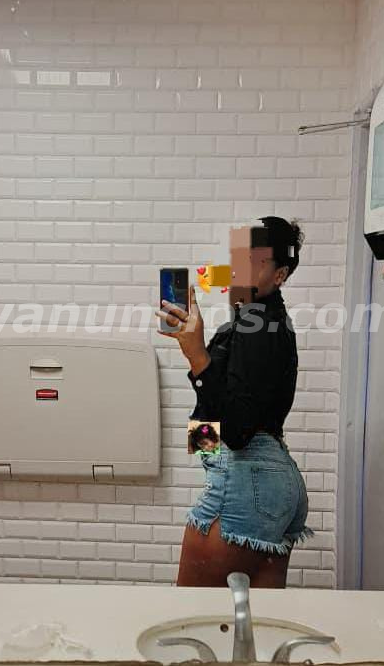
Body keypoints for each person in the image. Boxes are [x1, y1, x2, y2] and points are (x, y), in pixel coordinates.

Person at [156, 216, 312, 588]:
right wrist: (205, 454)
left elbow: (238, 433)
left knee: (193, 615)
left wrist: (197, 356)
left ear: (280, 275)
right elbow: (223, 412)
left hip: (248, 480)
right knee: (250, 620)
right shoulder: (257, 321)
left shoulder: (258, 324)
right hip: (270, 481)